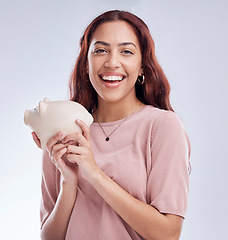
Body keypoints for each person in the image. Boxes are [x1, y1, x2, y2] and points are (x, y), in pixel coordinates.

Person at [32, 10, 191, 240]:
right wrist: (69, 181)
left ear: (143, 66)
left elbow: (168, 234)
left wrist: (95, 174)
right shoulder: (63, 131)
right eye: (100, 50)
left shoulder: (162, 127)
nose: (112, 62)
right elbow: (50, 238)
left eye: (126, 51)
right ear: (86, 64)